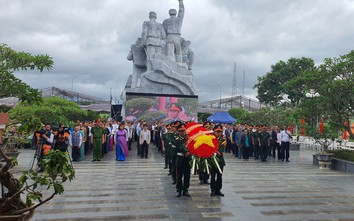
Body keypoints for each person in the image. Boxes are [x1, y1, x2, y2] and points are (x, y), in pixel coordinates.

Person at [174, 123, 191, 197]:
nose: (182, 132)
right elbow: (180, 147)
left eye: (184, 131)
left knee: (187, 176)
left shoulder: (189, 139)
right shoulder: (176, 139)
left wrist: (189, 152)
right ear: (178, 131)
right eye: (181, 131)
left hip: (187, 160)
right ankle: (179, 190)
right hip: (180, 159)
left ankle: (185, 190)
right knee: (179, 176)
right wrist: (186, 152)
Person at [210, 125, 226, 197]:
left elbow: (222, 149)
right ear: (214, 132)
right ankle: (212, 190)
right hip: (212, 160)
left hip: (220, 160)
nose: (218, 133)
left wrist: (216, 151)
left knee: (219, 176)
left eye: (220, 132)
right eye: (217, 132)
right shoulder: (210, 139)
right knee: (213, 176)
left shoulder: (223, 140)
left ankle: (218, 189)